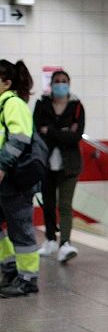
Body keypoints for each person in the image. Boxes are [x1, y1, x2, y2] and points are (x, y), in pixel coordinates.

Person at [33, 70, 85, 263]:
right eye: (57, 81)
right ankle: (50, 240)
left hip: (69, 164)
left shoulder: (77, 106)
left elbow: (75, 136)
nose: (60, 84)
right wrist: (63, 131)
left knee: (65, 205)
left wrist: (51, 131)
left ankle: (65, 243)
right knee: (48, 204)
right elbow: (38, 130)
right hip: (45, 163)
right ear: (51, 84)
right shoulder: (42, 105)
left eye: (64, 81)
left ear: (69, 84)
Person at [0, 60, 40, 297]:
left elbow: (19, 139)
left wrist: (2, 166)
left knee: (21, 229)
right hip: (5, 180)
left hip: (15, 179)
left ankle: (28, 278)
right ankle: (10, 267)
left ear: (7, 83)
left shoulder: (13, 104)